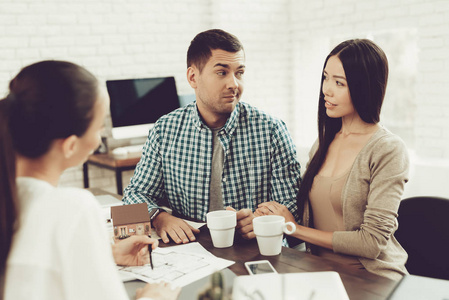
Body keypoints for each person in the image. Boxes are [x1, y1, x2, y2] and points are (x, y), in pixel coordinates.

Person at [0, 60, 180, 300]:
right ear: (70, 145)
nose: (97, 141)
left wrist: (106, 253)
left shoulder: (13, 198)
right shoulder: (73, 207)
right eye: (97, 129)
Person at [123, 29, 301, 244]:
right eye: (222, 72)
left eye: (239, 72)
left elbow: (293, 209)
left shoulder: (272, 130)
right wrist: (160, 218)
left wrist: (261, 222)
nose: (234, 84)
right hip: (192, 253)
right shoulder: (165, 130)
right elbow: (132, 198)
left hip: (256, 253)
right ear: (192, 77)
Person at [256, 39, 409, 281]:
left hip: (368, 278)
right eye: (326, 78)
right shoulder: (323, 143)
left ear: (364, 87)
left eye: (339, 83)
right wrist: (271, 214)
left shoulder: (388, 149)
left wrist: (293, 228)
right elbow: (307, 216)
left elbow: (371, 243)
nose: (327, 89)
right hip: (317, 270)